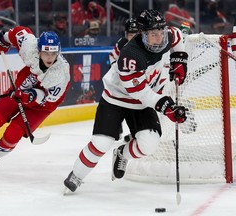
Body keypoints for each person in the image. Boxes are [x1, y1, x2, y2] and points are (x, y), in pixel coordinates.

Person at [63, 9, 188, 193]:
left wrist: (180, 59)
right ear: (142, 34)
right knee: (101, 143)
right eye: (153, 35)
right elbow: (141, 92)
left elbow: (177, 37)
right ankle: (77, 174)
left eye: (160, 33)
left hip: (142, 104)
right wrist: (166, 106)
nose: (159, 38)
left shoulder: (168, 36)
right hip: (116, 99)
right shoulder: (130, 55)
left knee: (149, 143)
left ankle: (122, 153)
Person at [0, 26, 70, 172]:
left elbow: (48, 100)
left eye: (53, 53)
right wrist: (3, 40)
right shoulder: (30, 47)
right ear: (38, 51)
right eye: (46, 53)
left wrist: (31, 95)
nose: (50, 57)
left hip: (40, 107)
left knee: (13, 134)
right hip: (19, 91)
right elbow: (19, 32)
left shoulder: (61, 74)